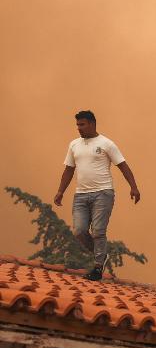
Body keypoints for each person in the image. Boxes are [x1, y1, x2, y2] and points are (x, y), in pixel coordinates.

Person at [54, 110, 141, 281]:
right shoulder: (74, 145)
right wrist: (60, 191)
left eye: (82, 124)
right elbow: (69, 170)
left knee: (99, 231)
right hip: (80, 194)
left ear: (92, 124)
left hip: (103, 193)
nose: (79, 128)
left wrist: (134, 187)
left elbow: (123, 166)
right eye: (77, 125)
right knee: (79, 231)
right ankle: (101, 254)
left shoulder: (106, 143)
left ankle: (98, 266)